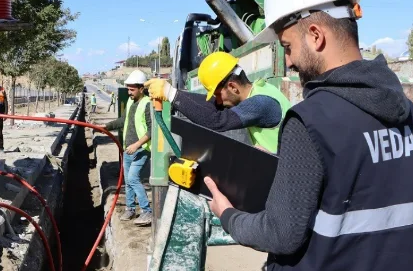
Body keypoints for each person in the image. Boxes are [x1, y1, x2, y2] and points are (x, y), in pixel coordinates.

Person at [201, 0, 413, 271]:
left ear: (315, 35)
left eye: (288, 47)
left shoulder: (310, 122)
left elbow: (280, 234)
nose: (289, 62)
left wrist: (228, 214)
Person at [145, 51, 292, 154]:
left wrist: (171, 94)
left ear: (233, 87)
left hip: (286, 178)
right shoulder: (260, 90)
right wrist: (172, 92)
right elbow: (212, 105)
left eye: (218, 95)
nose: (219, 101)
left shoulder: (260, 103)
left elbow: (217, 121)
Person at [103, 70, 153, 226]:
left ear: (141, 88)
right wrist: (106, 127)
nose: (129, 92)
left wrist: (137, 144)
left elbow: (152, 130)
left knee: (132, 178)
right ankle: (130, 209)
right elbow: (123, 120)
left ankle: (147, 212)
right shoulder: (131, 102)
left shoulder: (147, 104)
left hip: (141, 149)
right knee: (128, 181)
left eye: (132, 89)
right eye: (128, 89)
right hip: (128, 149)